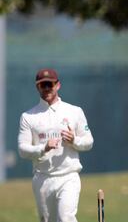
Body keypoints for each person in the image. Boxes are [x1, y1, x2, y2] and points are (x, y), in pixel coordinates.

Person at [18, 69, 94, 222]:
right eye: (42, 85)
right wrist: (43, 148)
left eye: (49, 84)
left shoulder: (74, 111)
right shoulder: (28, 117)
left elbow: (89, 141)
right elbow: (22, 150)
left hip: (68, 176)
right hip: (43, 179)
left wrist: (75, 141)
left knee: (66, 218)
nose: (46, 88)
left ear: (57, 85)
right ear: (37, 87)